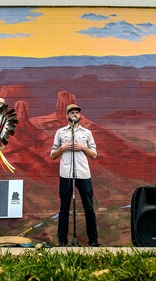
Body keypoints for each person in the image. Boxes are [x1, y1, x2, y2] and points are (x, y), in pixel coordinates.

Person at [50, 104, 100, 247]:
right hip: (66, 174)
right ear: (67, 116)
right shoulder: (60, 132)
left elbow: (94, 154)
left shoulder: (87, 133)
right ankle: (63, 242)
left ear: (80, 116)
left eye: (77, 112)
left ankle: (93, 240)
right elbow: (53, 155)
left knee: (89, 207)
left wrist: (83, 147)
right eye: (72, 112)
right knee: (64, 208)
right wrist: (63, 148)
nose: (75, 115)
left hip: (83, 174)